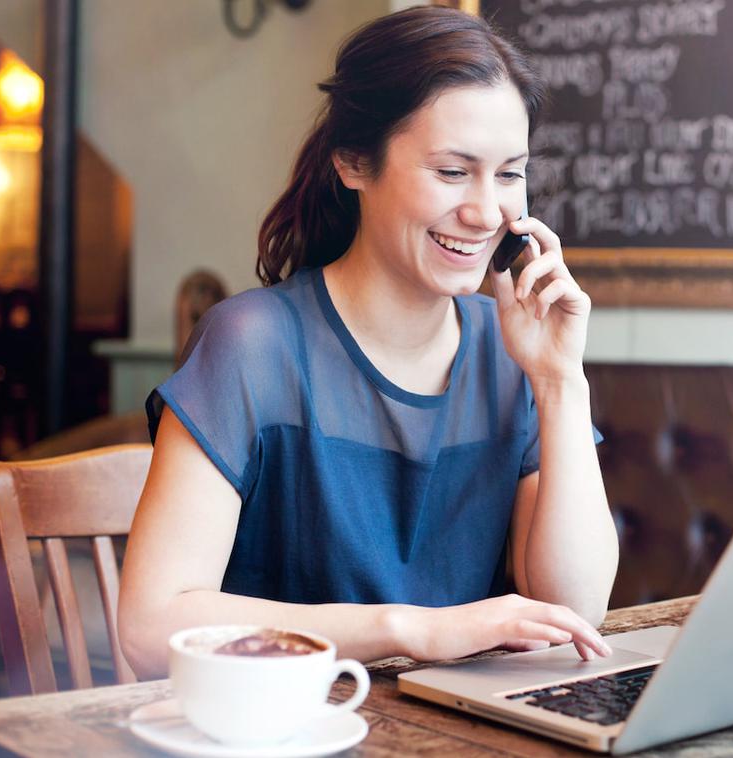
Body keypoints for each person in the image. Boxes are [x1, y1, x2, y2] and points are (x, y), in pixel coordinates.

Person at [118, 6, 618, 678]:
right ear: (354, 162)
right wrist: (409, 630)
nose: (486, 211)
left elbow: (575, 611)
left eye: (508, 174)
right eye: (451, 171)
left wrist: (560, 383)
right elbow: (150, 628)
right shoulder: (253, 346)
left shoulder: (509, 355)